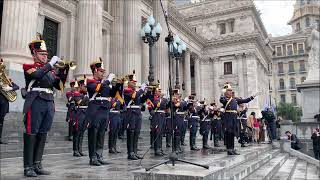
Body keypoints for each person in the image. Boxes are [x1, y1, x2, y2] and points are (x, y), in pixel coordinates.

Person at [22, 39, 68, 177]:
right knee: (32, 132)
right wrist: (50, 64)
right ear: (34, 54)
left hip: (48, 102)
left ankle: (37, 164)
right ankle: (28, 167)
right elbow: (36, 75)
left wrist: (63, 72)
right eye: (42, 54)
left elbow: (58, 86)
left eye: (46, 54)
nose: (44, 56)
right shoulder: (29, 66)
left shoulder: (50, 71)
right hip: (35, 101)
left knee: (43, 133)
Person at [85, 59, 116, 166]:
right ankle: (92, 157)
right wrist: (107, 81)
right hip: (95, 110)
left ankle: (99, 155)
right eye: (101, 71)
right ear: (95, 71)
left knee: (101, 133)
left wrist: (117, 85)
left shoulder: (105, 84)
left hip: (104, 110)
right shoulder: (90, 81)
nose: (103, 73)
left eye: (103, 71)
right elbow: (96, 89)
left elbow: (112, 93)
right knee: (93, 133)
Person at [220, 83, 255, 155]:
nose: (230, 92)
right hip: (228, 117)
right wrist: (223, 93)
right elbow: (222, 100)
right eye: (228, 90)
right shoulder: (224, 99)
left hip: (234, 117)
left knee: (232, 133)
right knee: (229, 133)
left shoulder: (235, 99)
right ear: (225, 92)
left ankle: (232, 149)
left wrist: (252, 97)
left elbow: (245, 100)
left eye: (230, 90)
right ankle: (229, 149)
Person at [123, 71, 147, 160]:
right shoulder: (127, 90)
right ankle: (130, 152)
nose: (134, 84)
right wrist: (141, 89)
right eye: (133, 82)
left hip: (137, 113)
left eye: (135, 82)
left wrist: (146, 93)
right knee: (131, 132)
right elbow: (134, 96)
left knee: (136, 132)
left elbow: (141, 100)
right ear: (128, 82)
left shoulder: (136, 92)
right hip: (131, 113)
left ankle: (135, 152)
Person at [0, 59, 19, 144]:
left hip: (3, 103)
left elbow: (16, 86)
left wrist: (10, 88)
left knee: (1, 121)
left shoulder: (6, 78)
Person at [147, 83, 169, 156]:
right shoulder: (153, 98)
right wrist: (151, 111)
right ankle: (157, 149)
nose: (160, 92)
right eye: (158, 91)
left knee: (161, 133)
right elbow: (149, 105)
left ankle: (160, 148)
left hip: (162, 117)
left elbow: (166, 107)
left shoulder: (163, 99)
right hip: (156, 117)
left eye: (160, 91)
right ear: (155, 92)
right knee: (157, 133)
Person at [72, 76, 89, 157]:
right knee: (77, 133)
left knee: (82, 132)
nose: (86, 88)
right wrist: (86, 97)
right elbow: (80, 103)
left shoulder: (84, 94)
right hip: (79, 114)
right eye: (84, 86)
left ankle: (80, 149)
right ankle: (75, 150)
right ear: (80, 86)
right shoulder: (76, 93)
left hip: (85, 114)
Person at [108, 77, 124, 154]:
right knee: (112, 131)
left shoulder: (117, 97)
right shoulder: (110, 96)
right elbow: (112, 105)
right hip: (112, 115)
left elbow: (121, 105)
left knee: (116, 131)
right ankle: (111, 147)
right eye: (113, 83)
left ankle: (114, 146)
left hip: (117, 115)